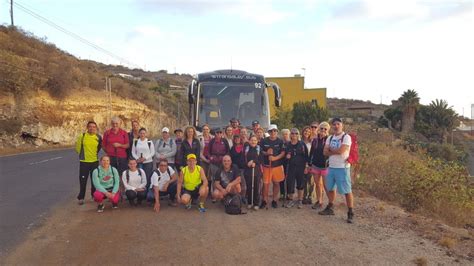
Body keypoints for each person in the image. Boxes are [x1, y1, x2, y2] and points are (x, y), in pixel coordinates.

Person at [319, 118, 354, 224]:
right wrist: (334, 151)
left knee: (347, 191)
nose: (336, 126)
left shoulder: (346, 137)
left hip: (342, 168)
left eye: (338, 124)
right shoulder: (330, 137)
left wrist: (331, 151)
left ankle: (350, 212)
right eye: (334, 124)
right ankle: (330, 206)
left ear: (342, 125)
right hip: (331, 167)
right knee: (330, 188)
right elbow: (325, 152)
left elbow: (342, 150)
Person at [75, 121, 102, 205]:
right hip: (84, 162)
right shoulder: (82, 136)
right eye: (90, 126)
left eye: (94, 127)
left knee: (94, 180)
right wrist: (83, 155)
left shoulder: (98, 137)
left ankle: (94, 196)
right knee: (83, 180)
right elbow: (78, 148)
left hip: (94, 161)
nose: (92, 128)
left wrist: (93, 154)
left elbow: (99, 147)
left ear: (96, 128)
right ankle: (81, 197)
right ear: (87, 127)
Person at [260, 124, 286, 209]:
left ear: (277, 132)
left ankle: (274, 200)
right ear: (268, 132)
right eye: (271, 131)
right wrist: (266, 153)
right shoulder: (264, 141)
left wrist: (275, 158)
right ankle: (264, 200)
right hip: (267, 166)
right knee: (266, 184)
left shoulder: (280, 141)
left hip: (277, 166)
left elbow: (283, 153)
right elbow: (261, 151)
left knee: (276, 183)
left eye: (275, 131)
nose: (273, 132)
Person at [284, 128, 309, 209]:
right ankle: (291, 200)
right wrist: (287, 157)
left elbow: (306, 157)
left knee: (300, 184)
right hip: (291, 167)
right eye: (293, 133)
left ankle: (300, 201)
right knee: (290, 184)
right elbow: (284, 156)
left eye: (296, 133)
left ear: (298, 135)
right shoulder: (288, 144)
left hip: (301, 168)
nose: (294, 135)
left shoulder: (302, 144)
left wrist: (306, 167)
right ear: (290, 134)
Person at [309, 122, 330, 209]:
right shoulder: (315, 140)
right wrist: (309, 164)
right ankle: (319, 201)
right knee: (318, 184)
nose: (323, 130)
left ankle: (330, 203)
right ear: (319, 129)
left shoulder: (329, 139)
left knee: (326, 186)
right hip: (315, 165)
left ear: (328, 130)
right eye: (321, 128)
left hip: (325, 166)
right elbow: (311, 153)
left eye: (325, 129)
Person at [207, 128, 230, 198]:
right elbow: (208, 151)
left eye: (220, 133)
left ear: (222, 134)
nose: (219, 134)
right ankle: (214, 194)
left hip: (222, 162)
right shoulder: (212, 141)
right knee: (214, 178)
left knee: (223, 177)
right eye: (217, 133)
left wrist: (225, 158)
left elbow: (228, 151)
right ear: (215, 133)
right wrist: (210, 157)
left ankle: (223, 193)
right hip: (213, 162)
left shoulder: (225, 141)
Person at [243, 135, 263, 210]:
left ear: (257, 141)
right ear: (249, 141)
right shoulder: (246, 149)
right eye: (252, 140)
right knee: (249, 186)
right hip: (248, 170)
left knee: (256, 187)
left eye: (255, 140)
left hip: (257, 170)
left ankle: (256, 203)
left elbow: (261, 160)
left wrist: (254, 162)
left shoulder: (259, 149)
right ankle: (249, 202)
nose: (253, 142)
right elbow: (243, 159)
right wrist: (247, 163)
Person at [229, 134, 247, 203]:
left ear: (240, 140)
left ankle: (243, 197)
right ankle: (236, 197)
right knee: (236, 184)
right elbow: (230, 158)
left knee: (243, 184)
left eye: (238, 139)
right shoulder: (232, 148)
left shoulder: (244, 147)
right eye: (235, 139)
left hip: (242, 168)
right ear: (234, 140)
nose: (237, 140)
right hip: (234, 169)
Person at [302, 126, 315, 205]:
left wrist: (309, 164)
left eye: (309, 131)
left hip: (310, 164)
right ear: (303, 132)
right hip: (301, 164)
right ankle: (304, 197)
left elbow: (313, 154)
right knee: (303, 181)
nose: (307, 132)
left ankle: (310, 197)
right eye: (305, 131)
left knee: (310, 181)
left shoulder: (312, 142)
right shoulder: (299, 141)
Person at [280, 129, 291, 200]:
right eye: (284, 134)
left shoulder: (291, 143)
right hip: (281, 162)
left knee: (289, 179)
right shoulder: (280, 143)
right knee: (281, 179)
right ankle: (282, 193)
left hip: (289, 163)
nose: (285, 135)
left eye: (286, 134)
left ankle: (288, 194)